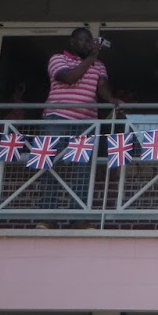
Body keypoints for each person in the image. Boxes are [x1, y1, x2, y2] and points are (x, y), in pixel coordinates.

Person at [39, 27, 114, 219]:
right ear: (72, 42)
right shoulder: (58, 59)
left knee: (83, 170)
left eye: (89, 41)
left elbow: (102, 89)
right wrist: (91, 58)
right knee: (51, 166)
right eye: (82, 40)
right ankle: (47, 217)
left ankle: (78, 218)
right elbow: (70, 78)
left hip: (87, 124)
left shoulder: (99, 65)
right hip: (58, 119)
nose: (87, 44)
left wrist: (114, 100)